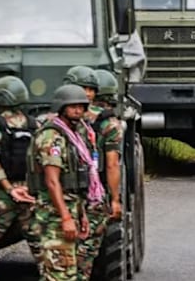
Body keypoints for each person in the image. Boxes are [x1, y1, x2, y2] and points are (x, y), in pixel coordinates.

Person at [28, 84, 102, 280]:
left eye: (81, 106)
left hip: (71, 209)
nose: (78, 110)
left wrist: (81, 215)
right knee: (61, 274)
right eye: (72, 106)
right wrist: (66, 218)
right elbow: (52, 181)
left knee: (68, 272)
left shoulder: (74, 135)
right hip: (54, 216)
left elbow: (75, 185)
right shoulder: (52, 136)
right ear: (62, 108)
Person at [0, 76, 42, 281]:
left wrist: (9, 188)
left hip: (3, 194)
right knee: (41, 245)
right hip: (31, 194)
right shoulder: (34, 124)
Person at [79, 69, 125, 279]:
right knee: (88, 248)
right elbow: (112, 165)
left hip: (64, 193)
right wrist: (115, 199)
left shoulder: (56, 119)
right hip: (93, 193)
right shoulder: (109, 123)